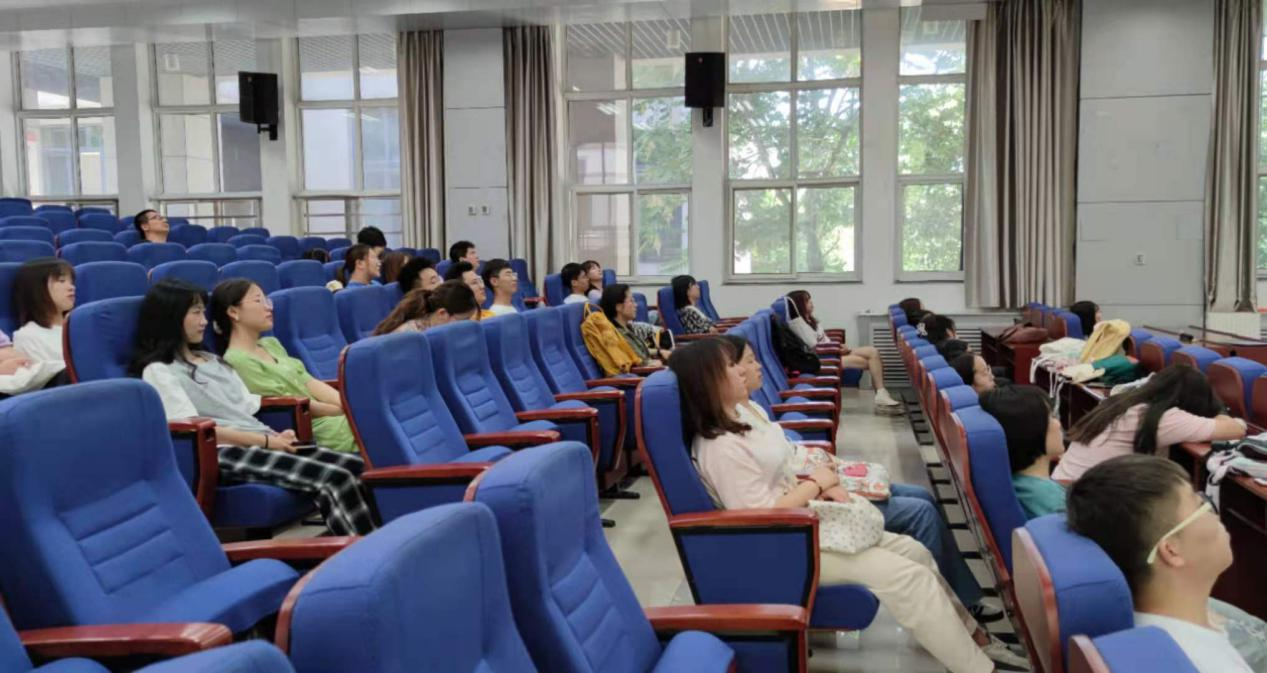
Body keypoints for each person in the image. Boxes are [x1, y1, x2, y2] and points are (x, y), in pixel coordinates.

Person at [676, 339, 1024, 673]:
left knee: (915, 552)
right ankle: (981, 668)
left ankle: (976, 639)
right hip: (783, 547)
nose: (741, 370)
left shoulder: (742, 416)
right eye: (730, 366)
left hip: (802, 525)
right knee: (910, 579)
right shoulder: (720, 447)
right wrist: (816, 484)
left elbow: (780, 474)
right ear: (707, 381)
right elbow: (760, 516)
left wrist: (818, 485)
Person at [722, 334, 1001, 623]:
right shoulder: (727, 435)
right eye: (748, 362)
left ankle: (958, 596)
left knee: (922, 496)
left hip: (814, 482)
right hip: (807, 497)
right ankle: (954, 606)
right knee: (921, 513)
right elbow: (767, 495)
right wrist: (819, 483)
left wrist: (828, 468)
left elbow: (787, 454)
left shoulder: (751, 409)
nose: (756, 367)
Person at [129, 279, 375, 536]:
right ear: (171, 317)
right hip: (222, 452)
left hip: (258, 440)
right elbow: (193, 429)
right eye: (196, 313)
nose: (204, 321)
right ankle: (362, 552)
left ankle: (381, 543)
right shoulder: (160, 370)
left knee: (358, 466)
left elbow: (248, 407)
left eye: (204, 312)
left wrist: (277, 435)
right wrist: (267, 441)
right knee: (335, 478)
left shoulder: (213, 360)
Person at [1067, 455, 1265, 673]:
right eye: (1200, 504)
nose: (1214, 513)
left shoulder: (1155, 625)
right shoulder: (1207, 665)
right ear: (1171, 550)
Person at [210, 279, 357, 454]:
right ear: (233, 312)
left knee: (371, 416)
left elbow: (310, 382)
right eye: (258, 301)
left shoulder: (271, 344)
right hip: (311, 428)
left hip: (337, 415)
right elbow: (289, 403)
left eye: (267, 301)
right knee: (372, 425)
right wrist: (343, 410)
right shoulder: (237, 360)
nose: (268, 308)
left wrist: (349, 406)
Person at [1054, 365, 1247, 482]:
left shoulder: (1123, 402)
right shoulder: (1162, 417)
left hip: (1065, 486)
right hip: (1082, 501)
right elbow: (1236, 429)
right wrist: (1218, 408)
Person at [786, 290, 899, 408]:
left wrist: (839, 346)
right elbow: (814, 345)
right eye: (807, 301)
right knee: (870, 363)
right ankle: (881, 394)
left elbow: (824, 340)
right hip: (823, 358)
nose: (811, 303)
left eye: (810, 300)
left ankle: (881, 394)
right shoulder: (798, 324)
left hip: (832, 351)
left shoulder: (811, 320)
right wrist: (836, 349)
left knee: (873, 351)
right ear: (798, 305)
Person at [979, 386, 1066, 519]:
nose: (1058, 423)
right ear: (1030, 432)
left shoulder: (1015, 485)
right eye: (1051, 417)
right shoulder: (1052, 502)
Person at [12, 258, 75, 372]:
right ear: (38, 288)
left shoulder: (80, 326)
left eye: (71, 282)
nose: (71, 287)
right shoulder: (27, 336)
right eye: (61, 281)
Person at [372, 281, 479, 335]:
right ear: (442, 314)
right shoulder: (411, 336)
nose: (467, 327)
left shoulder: (432, 328)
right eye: (464, 320)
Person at [600, 284, 670, 366]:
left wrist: (659, 352)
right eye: (631, 301)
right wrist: (658, 363)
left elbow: (638, 351)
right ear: (618, 307)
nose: (636, 305)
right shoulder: (618, 335)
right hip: (645, 372)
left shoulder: (627, 328)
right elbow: (641, 363)